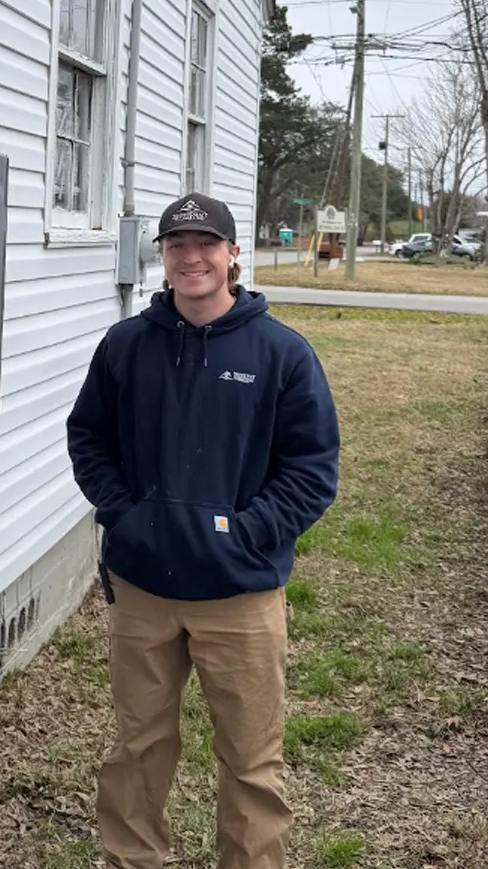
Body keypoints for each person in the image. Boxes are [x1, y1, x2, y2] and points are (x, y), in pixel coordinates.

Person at [66, 192, 341, 869]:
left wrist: (247, 534)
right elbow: (88, 438)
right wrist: (129, 518)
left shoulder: (281, 353)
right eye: (178, 245)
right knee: (137, 749)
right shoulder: (126, 345)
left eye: (206, 245)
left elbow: (312, 467)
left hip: (240, 595)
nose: (193, 258)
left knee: (250, 763)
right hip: (145, 590)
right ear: (161, 257)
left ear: (232, 255)